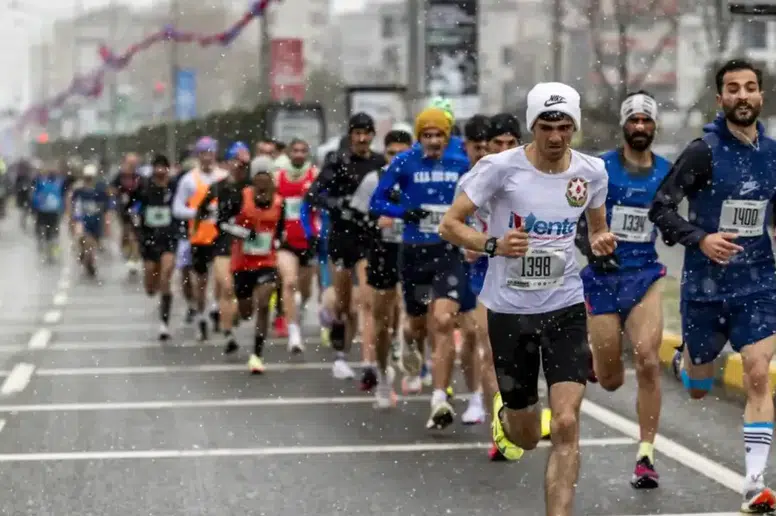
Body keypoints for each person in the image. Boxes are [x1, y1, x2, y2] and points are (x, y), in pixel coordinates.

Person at [439, 82, 615, 516]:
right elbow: (449, 224)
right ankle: (507, 417)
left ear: (574, 126)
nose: (555, 137)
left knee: (567, 423)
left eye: (564, 127)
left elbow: (596, 228)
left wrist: (600, 239)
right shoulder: (499, 168)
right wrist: (494, 245)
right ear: (532, 127)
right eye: (546, 127)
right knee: (527, 437)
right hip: (510, 312)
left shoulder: (591, 172)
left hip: (565, 308)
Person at [648, 59, 776, 514]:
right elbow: (661, 209)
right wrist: (700, 238)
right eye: (733, 89)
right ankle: (688, 358)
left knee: (758, 372)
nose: (743, 96)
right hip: (705, 288)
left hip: (759, 283)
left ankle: (755, 483)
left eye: (750, 87)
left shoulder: (773, 154)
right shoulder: (702, 152)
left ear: (760, 96)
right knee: (699, 387)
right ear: (720, 99)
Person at [574, 90, 670, 488]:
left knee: (647, 359)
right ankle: (594, 359)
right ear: (623, 125)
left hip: (645, 276)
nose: (640, 126)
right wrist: (592, 249)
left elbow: (676, 218)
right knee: (611, 380)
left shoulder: (667, 172)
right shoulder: (599, 169)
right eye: (634, 120)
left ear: (654, 126)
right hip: (603, 280)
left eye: (646, 120)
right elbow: (574, 219)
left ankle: (646, 455)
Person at [369, 107, 471, 430]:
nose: (433, 141)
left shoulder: (461, 161)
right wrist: (404, 211)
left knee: (443, 320)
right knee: (417, 326)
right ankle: (411, 344)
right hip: (414, 253)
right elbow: (376, 202)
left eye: (439, 135)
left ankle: (439, 397)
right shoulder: (404, 161)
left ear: (447, 135)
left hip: (448, 251)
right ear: (419, 137)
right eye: (427, 135)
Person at [304, 113, 385, 380]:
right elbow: (313, 194)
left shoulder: (379, 162)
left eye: (366, 133)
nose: (362, 139)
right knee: (344, 304)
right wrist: (336, 203)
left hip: (368, 238)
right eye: (357, 133)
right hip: (341, 239)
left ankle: (368, 363)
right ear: (350, 135)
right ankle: (340, 350)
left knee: (367, 302)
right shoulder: (337, 161)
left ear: (372, 135)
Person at [349, 128, 413, 403]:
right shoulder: (374, 179)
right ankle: (383, 376)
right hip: (383, 252)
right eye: (391, 153)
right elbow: (356, 218)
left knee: (417, 316)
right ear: (384, 154)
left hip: (415, 250)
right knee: (380, 317)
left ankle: (414, 359)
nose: (396, 159)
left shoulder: (422, 179)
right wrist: (375, 224)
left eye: (402, 154)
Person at [223, 165, 284, 374]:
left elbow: (280, 230)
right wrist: (244, 233)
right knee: (246, 312)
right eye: (259, 177)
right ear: (254, 180)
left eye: (266, 177)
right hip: (242, 263)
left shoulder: (280, 202)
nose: (262, 182)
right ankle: (235, 318)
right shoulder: (240, 197)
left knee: (264, 303)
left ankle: (257, 355)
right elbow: (222, 223)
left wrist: (277, 242)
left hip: (267, 262)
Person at [192, 141, 252, 351]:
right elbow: (201, 210)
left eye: (244, 163)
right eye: (236, 161)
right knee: (227, 288)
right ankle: (228, 335)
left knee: (245, 298)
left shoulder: (254, 186)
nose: (240, 166)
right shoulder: (219, 187)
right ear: (227, 163)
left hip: (249, 246)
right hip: (223, 245)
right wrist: (198, 231)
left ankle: (233, 316)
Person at [171, 137, 229, 341]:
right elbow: (177, 209)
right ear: (198, 156)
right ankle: (202, 317)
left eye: (210, 153)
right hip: (199, 237)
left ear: (215, 154)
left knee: (222, 277)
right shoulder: (188, 180)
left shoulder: (224, 177)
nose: (207, 157)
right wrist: (197, 213)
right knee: (201, 282)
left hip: (221, 236)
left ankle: (216, 307)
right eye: (203, 153)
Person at [274, 138, 318, 354]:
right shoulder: (278, 177)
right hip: (286, 241)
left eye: (303, 151)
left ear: (307, 153)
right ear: (289, 153)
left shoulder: (315, 175)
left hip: (308, 239)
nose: (299, 154)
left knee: (305, 291)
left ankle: (299, 308)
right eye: (296, 151)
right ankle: (294, 333)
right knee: (289, 282)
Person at [132, 154, 178, 340]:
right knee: (151, 286)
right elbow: (132, 207)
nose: (160, 171)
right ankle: (155, 286)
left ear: (167, 169)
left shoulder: (174, 187)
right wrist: (136, 227)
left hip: (169, 238)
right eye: (156, 167)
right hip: (149, 238)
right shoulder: (144, 187)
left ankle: (164, 323)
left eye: (163, 167)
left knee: (166, 276)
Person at [70, 164, 111, 277]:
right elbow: (73, 206)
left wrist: (107, 224)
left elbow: (106, 208)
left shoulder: (100, 190)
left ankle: (88, 260)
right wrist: (73, 221)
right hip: (83, 221)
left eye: (90, 178)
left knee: (93, 244)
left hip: (96, 222)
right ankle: (88, 261)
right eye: (87, 178)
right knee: (87, 241)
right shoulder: (79, 190)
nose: (89, 180)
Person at [110, 152, 143, 274]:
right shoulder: (120, 176)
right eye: (130, 163)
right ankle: (127, 251)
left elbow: (143, 191)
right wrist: (117, 193)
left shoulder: (138, 177)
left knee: (135, 235)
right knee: (126, 233)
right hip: (123, 209)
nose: (132, 165)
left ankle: (134, 257)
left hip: (136, 209)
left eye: (134, 163)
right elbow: (111, 189)